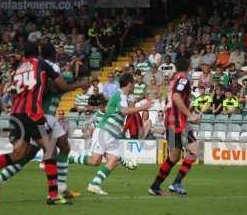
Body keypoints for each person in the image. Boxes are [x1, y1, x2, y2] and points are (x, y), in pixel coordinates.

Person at [0, 42, 73, 205]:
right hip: (33, 114)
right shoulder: (41, 63)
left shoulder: (18, 69)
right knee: (50, 149)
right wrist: (79, 84)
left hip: (16, 114)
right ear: (37, 52)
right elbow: (61, 85)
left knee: (18, 154)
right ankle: (53, 195)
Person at [67, 73, 151, 195]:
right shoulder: (119, 95)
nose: (134, 85)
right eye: (133, 83)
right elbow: (124, 111)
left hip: (113, 134)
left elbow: (126, 108)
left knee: (113, 160)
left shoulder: (124, 96)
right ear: (129, 84)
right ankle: (71, 157)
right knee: (94, 161)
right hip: (105, 131)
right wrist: (143, 107)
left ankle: (94, 184)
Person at [148, 58, 200, 196]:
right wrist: (190, 115)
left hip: (169, 120)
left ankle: (155, 186)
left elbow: (173, 97)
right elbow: (176, 97)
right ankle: (176, 183)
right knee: (194, 151)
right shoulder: (183, 79)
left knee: (174, 156)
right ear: (189, 66)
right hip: (178, 121)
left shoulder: (173, 79)